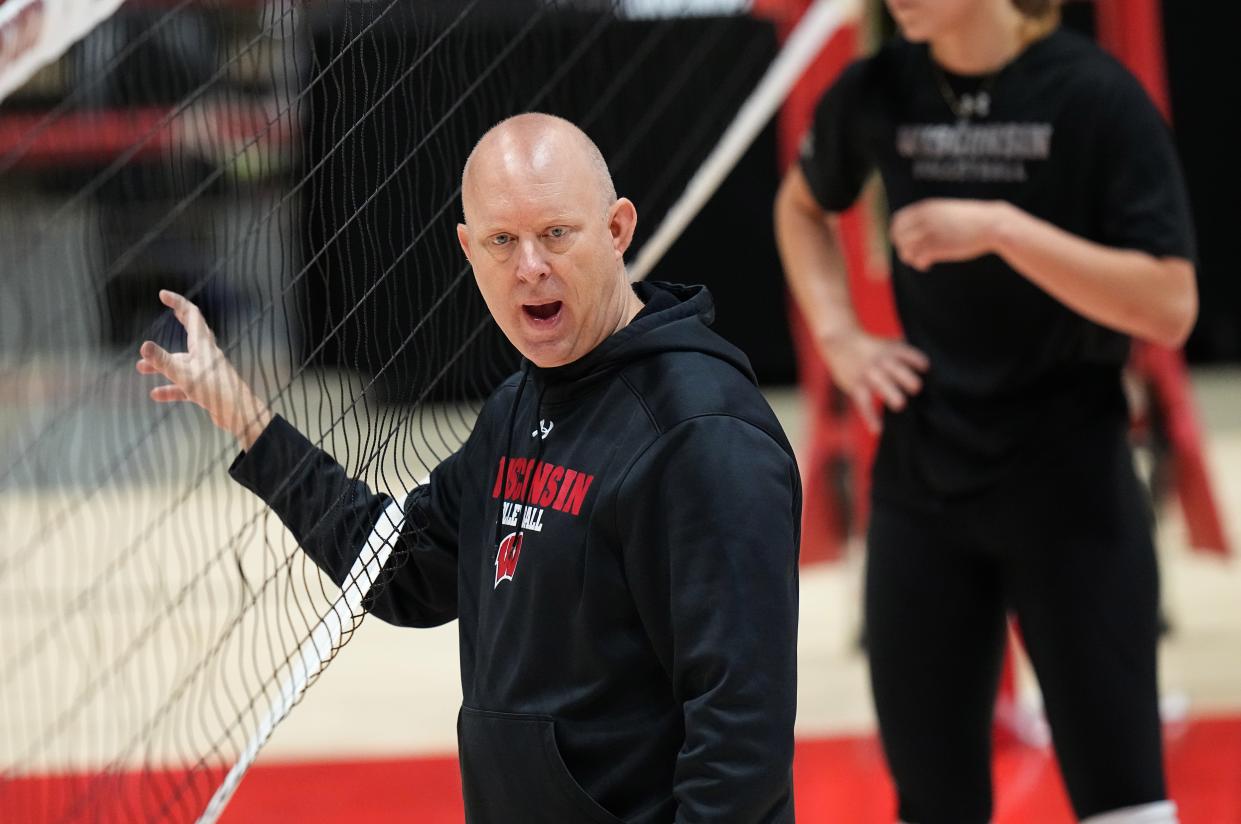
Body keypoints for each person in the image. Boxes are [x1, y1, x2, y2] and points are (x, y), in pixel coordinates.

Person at [138, 113, 801, 824]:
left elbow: (740, 736)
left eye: (555, 233)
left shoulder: (701, 436)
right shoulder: (518, 407)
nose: (529, 268)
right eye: (501, 241)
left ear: (616, 229)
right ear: (467, 248)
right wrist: (248, 420)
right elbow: (400, 572)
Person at [774, 1, 1196, 822]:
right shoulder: (878, 87)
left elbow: (1170, 306)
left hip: (1071, 484)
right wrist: (840, 339)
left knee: (1126, 804)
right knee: (931, 804)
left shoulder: (1095, 95)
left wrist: (1003, 229)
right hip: (923, 486)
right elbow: (799, 207)